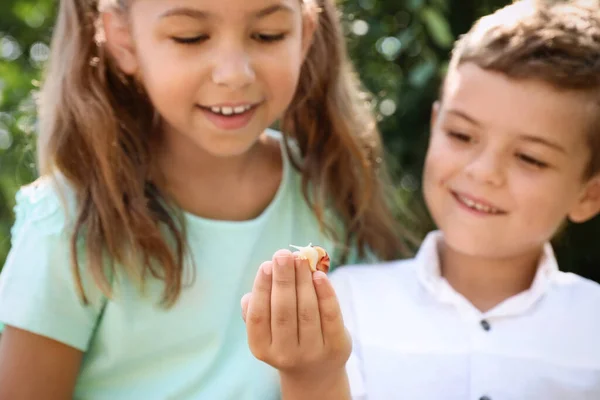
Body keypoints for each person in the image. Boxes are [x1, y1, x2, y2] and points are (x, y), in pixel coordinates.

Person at [0, 0, 408, 398]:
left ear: (305, 33)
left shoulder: (332, 192)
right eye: (190, 37)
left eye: (268, 35)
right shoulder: (69, 223)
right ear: (123, 39)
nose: (234, 74)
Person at [243, 0, 600, 399]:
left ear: (589, 194)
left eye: (530, 158)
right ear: (435, 126)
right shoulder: (349, 304)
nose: (482, 171)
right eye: (462, 136)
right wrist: (311, 375)